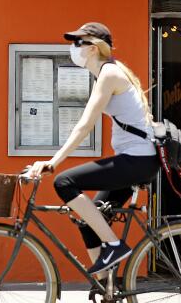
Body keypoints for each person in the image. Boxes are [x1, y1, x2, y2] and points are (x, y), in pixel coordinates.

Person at [27, 23, 160, 277]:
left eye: (78, 43)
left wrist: (53, 162)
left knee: (64, 181)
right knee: (88, 221)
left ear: (92, 48)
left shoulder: (109, 74)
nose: (73, 48)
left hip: (137, 160)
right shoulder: (109, 73)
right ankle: (108, 301)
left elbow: (85, 125)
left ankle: (113, 244)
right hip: (135, 160)